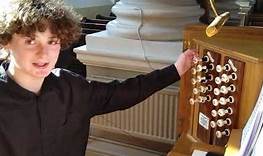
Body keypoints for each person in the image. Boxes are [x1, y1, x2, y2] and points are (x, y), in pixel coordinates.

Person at [0, 0, 197, 156]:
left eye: (52, 42)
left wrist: (176, 69)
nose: (44, 54)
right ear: (7, 41)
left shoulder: (71, 87)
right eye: (31, 41)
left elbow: (124, 92)